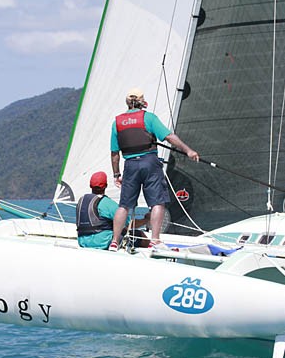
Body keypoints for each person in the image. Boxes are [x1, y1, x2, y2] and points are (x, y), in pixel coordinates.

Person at [109, 87, 199, 251]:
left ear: (128, 103)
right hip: (149, 162)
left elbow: (115, 153)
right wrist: (188, 150)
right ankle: (155, 240)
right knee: (157, 202)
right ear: (142, 102)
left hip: (130, 165)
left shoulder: (117, 123)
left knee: (124, 205)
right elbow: (170, 137)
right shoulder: (148, 118)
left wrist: (116, 174)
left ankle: (115, 241)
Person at [76, 171, 149, 250]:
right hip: (103, 242)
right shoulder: (107, 203)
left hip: (82, 241)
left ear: (90, 185)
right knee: (139, 235)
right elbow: (129, 225)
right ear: (106, 186)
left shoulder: (81, 200)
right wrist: (146, 220)